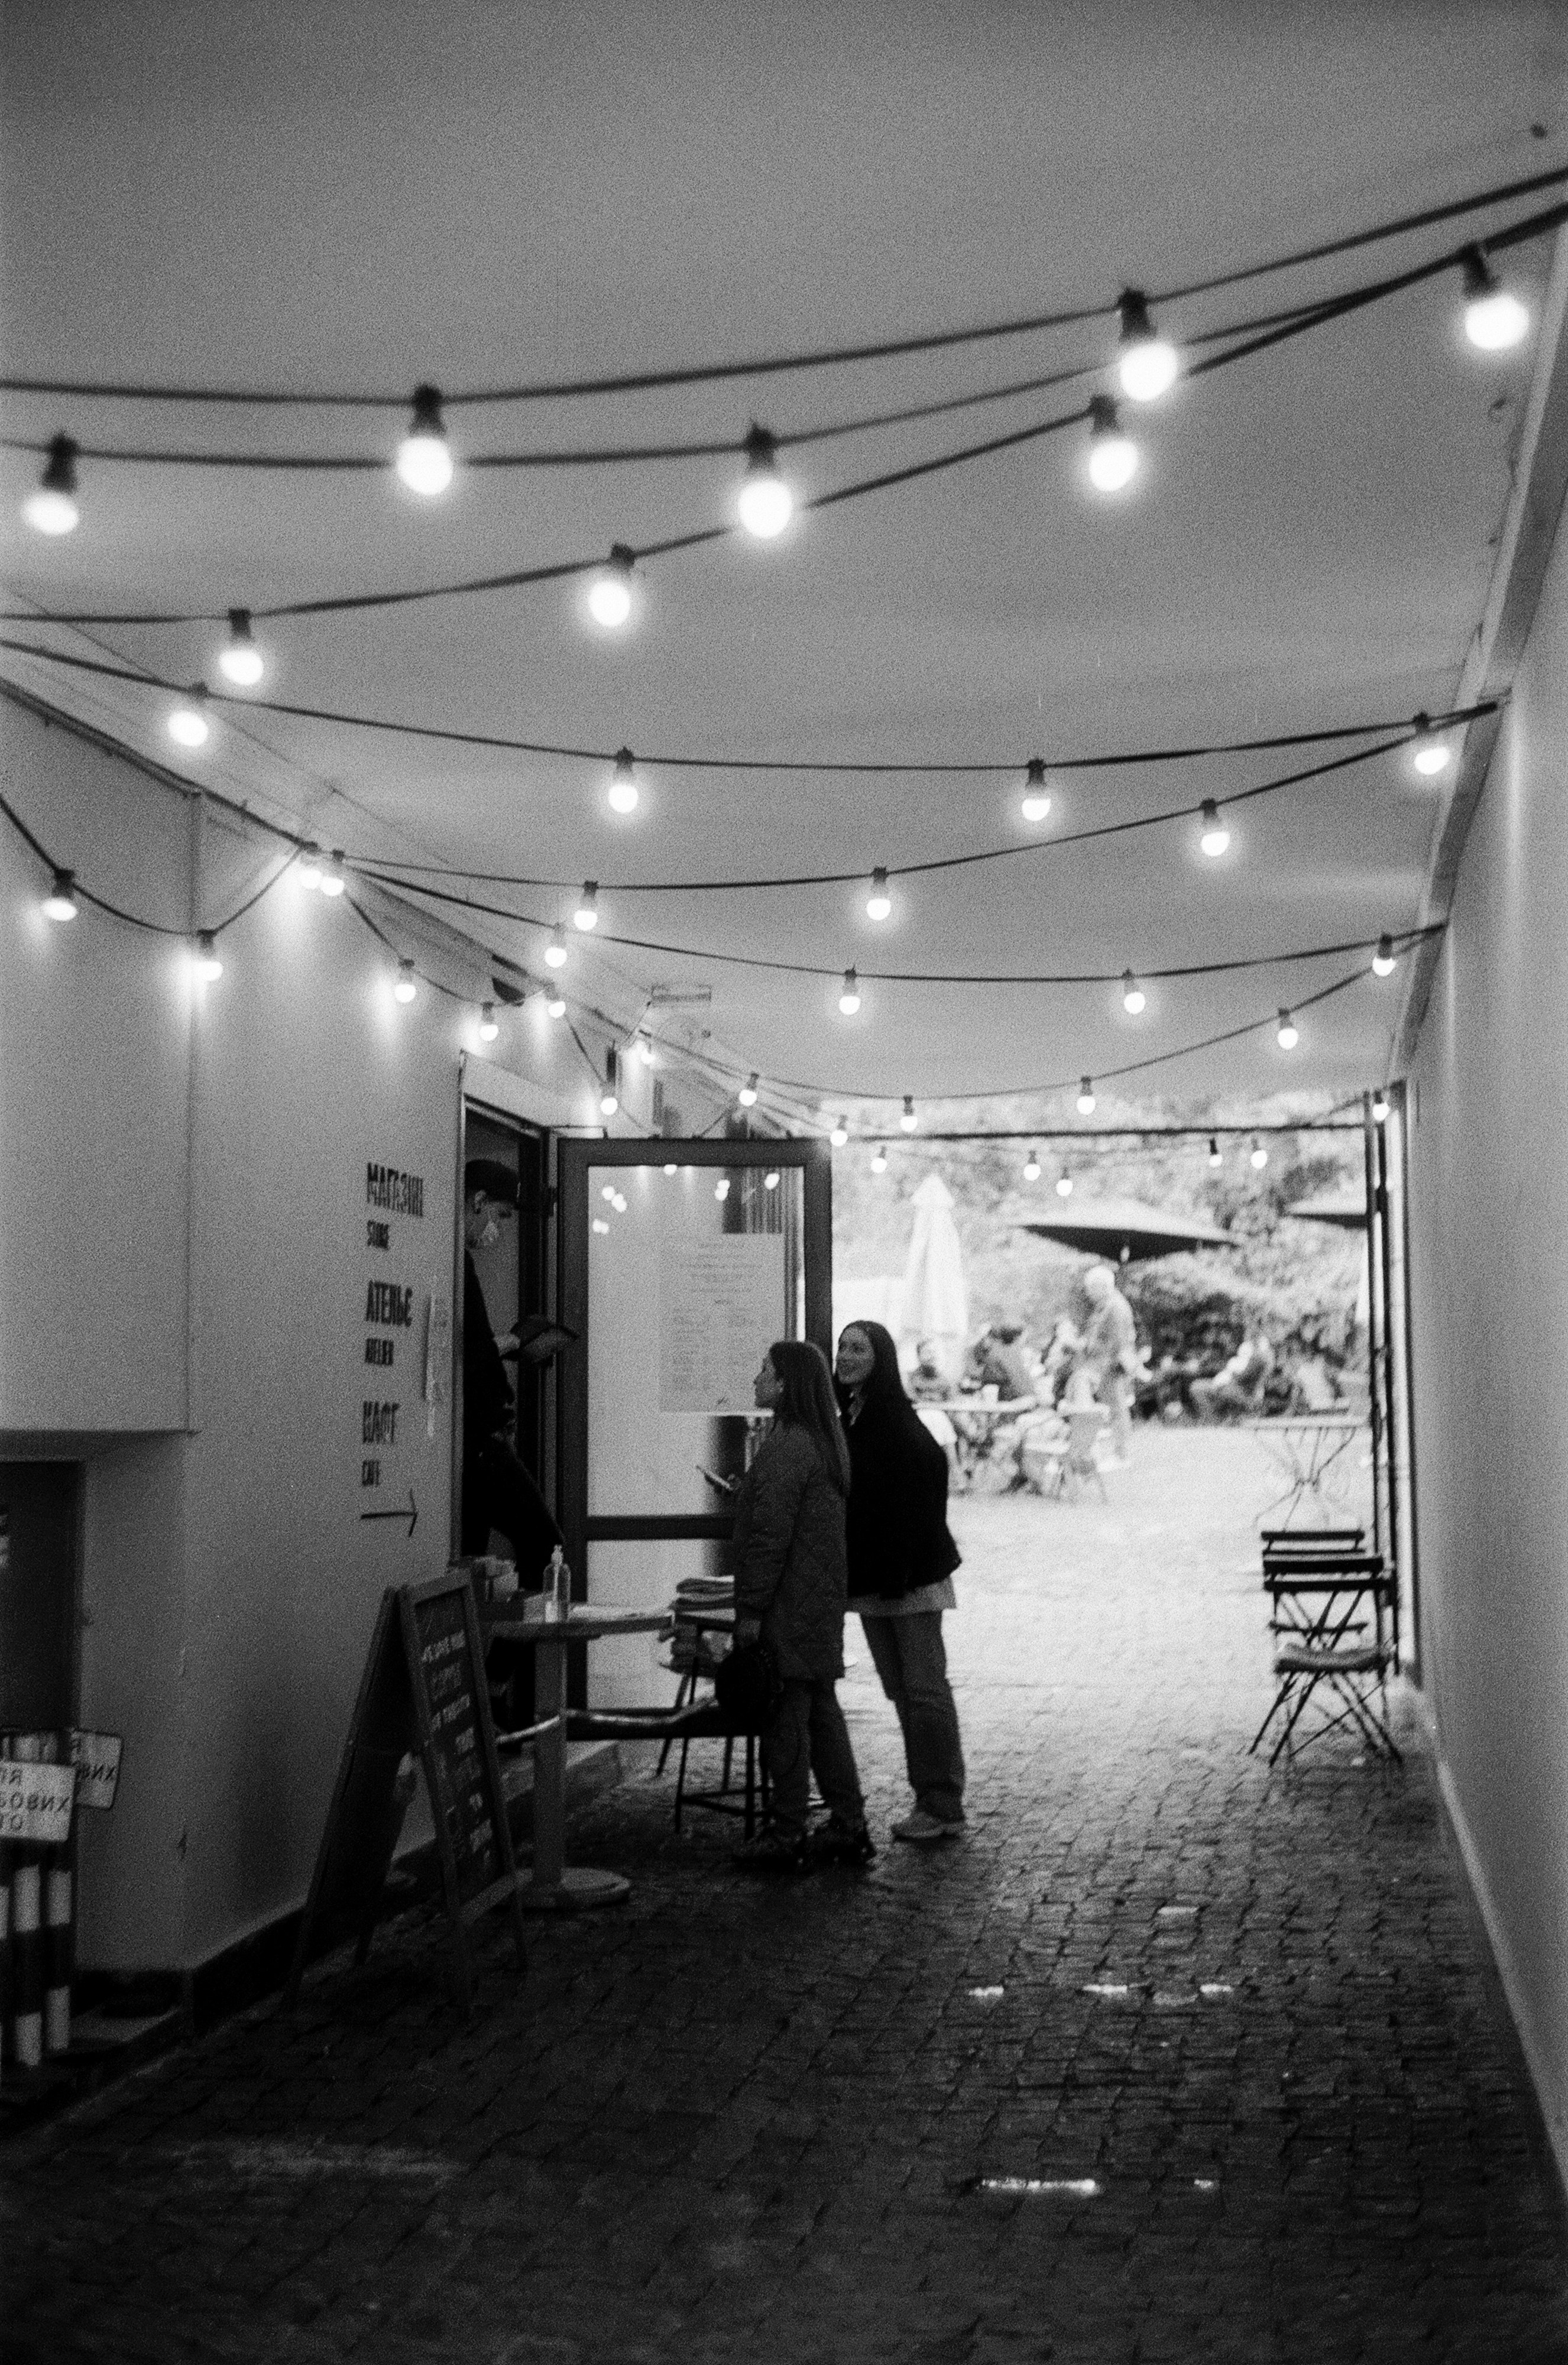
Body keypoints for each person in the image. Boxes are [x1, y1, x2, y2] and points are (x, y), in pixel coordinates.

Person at [730, 1340, 873, 1873]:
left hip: (788, 1607)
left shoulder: (789, 1446)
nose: (756, 1377)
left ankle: (787, 1831)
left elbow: (771, 1538)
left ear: (788, 1383)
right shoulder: (820, 1441)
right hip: (816, 1604)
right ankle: (847, 1822)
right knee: (821, 1715)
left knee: (787, 1720)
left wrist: (750, 1609)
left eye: (765, 1369)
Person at [835, 1320, 966, 1846]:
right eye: (843, 1347)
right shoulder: (856, 1413)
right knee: (903, 1692)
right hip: (879, 1578)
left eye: (858, 1348)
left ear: (881, 1359)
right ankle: (930, 1799)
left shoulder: (891, 1418)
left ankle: (942, 1803)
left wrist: (901, 1564)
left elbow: (926, 1473)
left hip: (907, 1579)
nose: (846, 1356)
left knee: (924, 1692)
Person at [461, 1158, 563, 1579]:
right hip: (482, 1440)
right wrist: (519, 1340)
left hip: (472, 1440)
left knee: (470, 1558)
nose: (498, 1231)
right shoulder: (456, 1265)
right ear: (480, 1200)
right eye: (500, 1216)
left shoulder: (452, 1261)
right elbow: (471, 1352)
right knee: (543, 1542)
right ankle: (518, 1645)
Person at [1077, 1264, 1138, 1465]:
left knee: (1118, 1409)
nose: (1088, 1294)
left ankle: (1122, 1454)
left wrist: (1115, 1365)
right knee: (1115, 1409)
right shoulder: (1108, 1305)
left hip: (1112, 1366)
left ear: (1102, 1286)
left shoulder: (1116, 1307)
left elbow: (1119, 1342)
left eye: (1091, 1289)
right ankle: (1120, 1452)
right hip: (1106, 1365)